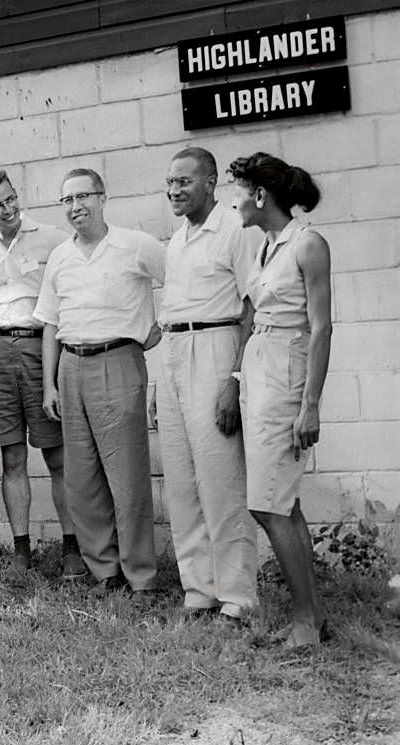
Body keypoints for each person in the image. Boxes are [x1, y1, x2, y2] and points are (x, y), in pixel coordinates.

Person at [34, 168, 165, 596]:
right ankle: (106, 572)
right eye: (67, 200)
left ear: (103, 198)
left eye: (83, 196)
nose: (75, 207)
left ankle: (140, 575)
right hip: (71, 367)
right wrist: (50, 385)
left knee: (127, 477)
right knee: (82, 478)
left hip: (118, 361)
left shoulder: (135, 245)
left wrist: (155, 328)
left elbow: (183, 284)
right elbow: (50, 324)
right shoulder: (60, 257)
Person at [229, 152, 332, 646]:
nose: (235, 202)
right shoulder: (267, 246)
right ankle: (310, 616)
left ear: (260, 195)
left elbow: (321, 328)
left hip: (287, 376)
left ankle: (305, 622)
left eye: (239, 191)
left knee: (269, 504)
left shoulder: (307, 245)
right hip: (259, 371)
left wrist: (310, 404)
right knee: (279, 502)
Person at [0, 169, 85, 576]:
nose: (8, 208)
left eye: (11, 198)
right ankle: (21, 549)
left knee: (57, 455)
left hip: (44, 348)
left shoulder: (51, 238)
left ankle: (71, 547)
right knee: (12, 457)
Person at [157, 147, 260, 623]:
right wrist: (162, 382)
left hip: (216, 350)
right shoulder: (177, 240)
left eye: (185, 181)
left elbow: (253, 308)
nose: (175, 189)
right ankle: (199, 589)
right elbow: (172, 317)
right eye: (171, 182)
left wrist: (234, 380)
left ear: (211, 182)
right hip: (175, 353)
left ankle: (237, 595)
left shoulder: (236, 230)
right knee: (181, 481)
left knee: (220, 480)